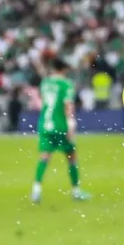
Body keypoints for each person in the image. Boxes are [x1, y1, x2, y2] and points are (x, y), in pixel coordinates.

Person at [31, 57, 88, 204]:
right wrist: (70, 123)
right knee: (71, 157)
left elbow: (43, 102)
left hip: (45, 124)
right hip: (60, 125)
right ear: (64, 69)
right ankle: (76, 190)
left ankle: (36, 190)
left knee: (44, 156)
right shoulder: (65, 84)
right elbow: (68, 104)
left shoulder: (45, 83)